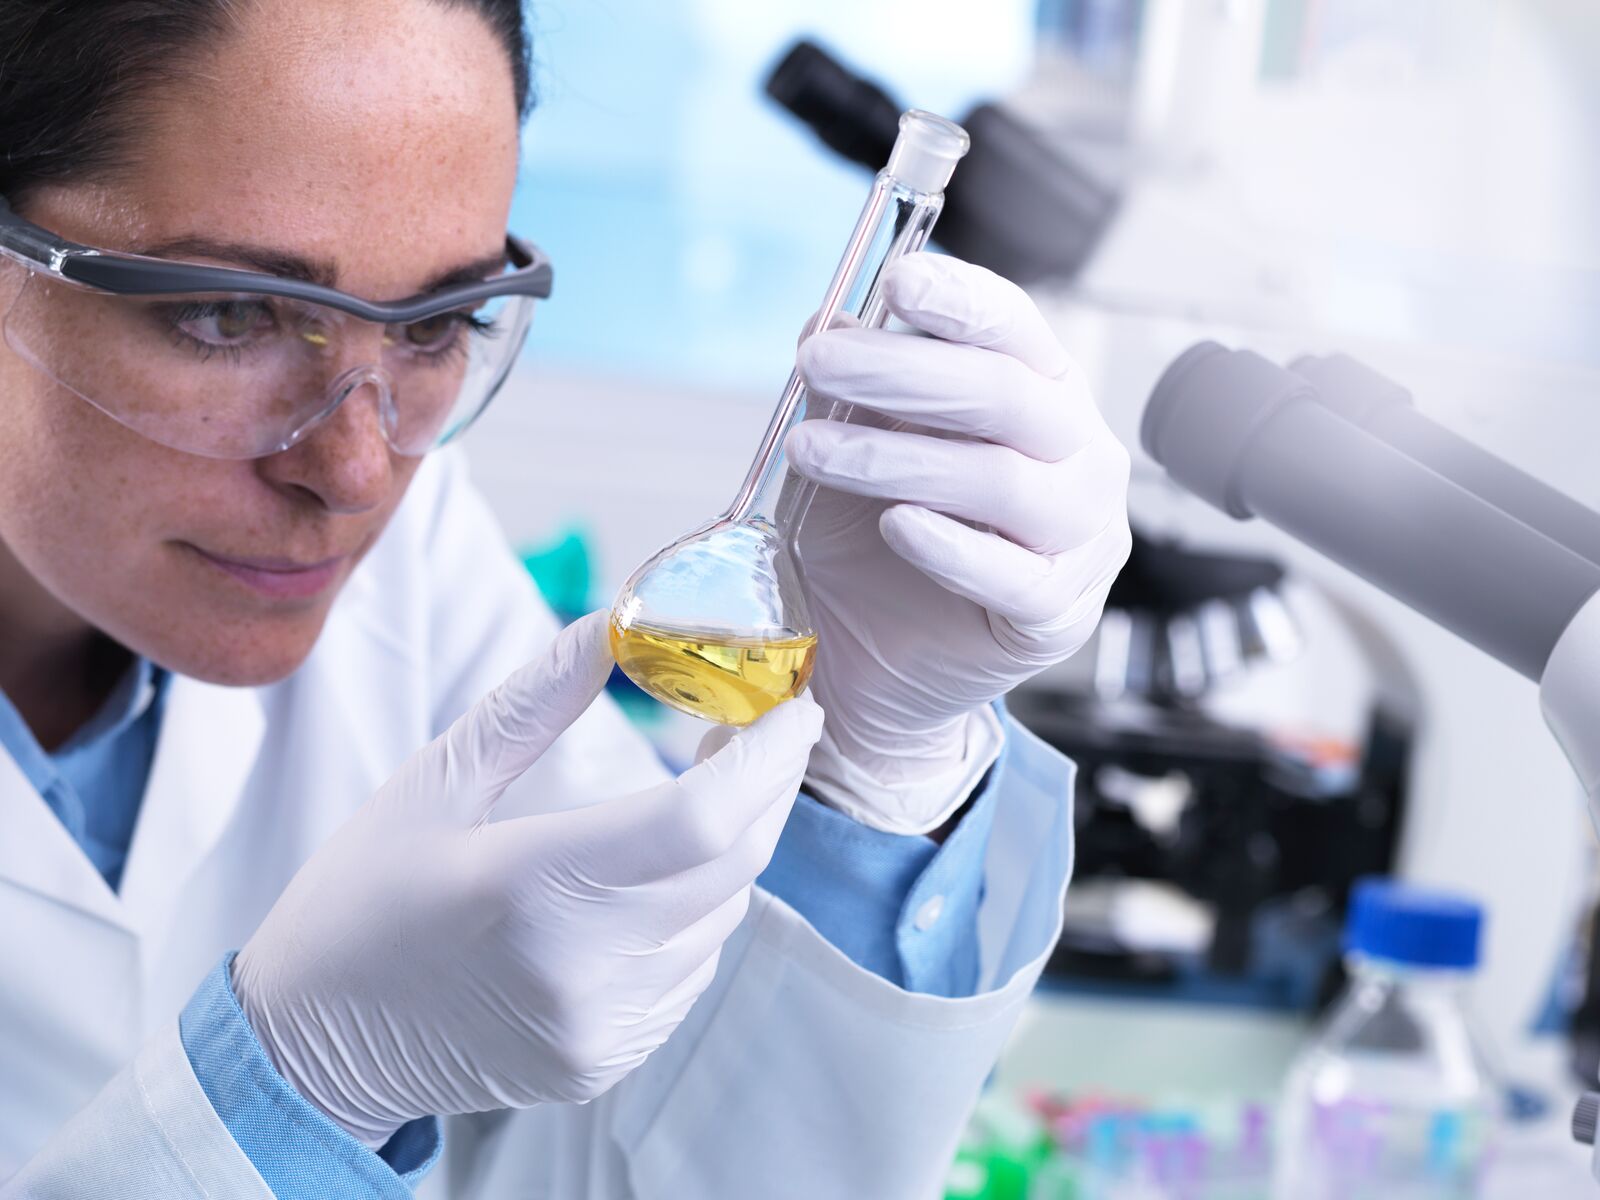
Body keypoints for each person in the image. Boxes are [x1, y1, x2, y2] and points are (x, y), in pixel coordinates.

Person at [0, 1, 1131, 1196]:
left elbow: (644, 1160)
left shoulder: (412, 569)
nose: (353, 473)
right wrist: (291, 1093)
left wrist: (870, 766)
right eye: (226, 315)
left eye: (442, 322)